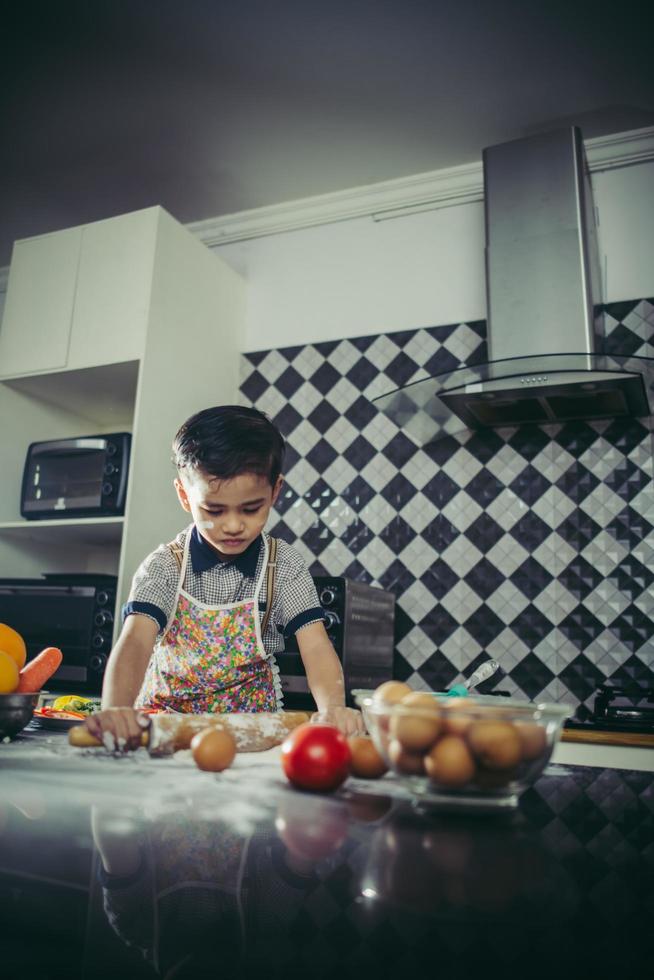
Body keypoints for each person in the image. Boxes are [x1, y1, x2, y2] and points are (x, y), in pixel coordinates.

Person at [84, 405, 364, 749]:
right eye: (214, 510)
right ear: (185, 496)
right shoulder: (165, 566)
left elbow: (317, 646)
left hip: (252, 737)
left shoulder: (284, 567)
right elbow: (136, 642)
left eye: (251, 508)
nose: (233, 525)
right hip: (164, 730)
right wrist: (116, 710)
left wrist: (333, 708)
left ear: (275, 492)